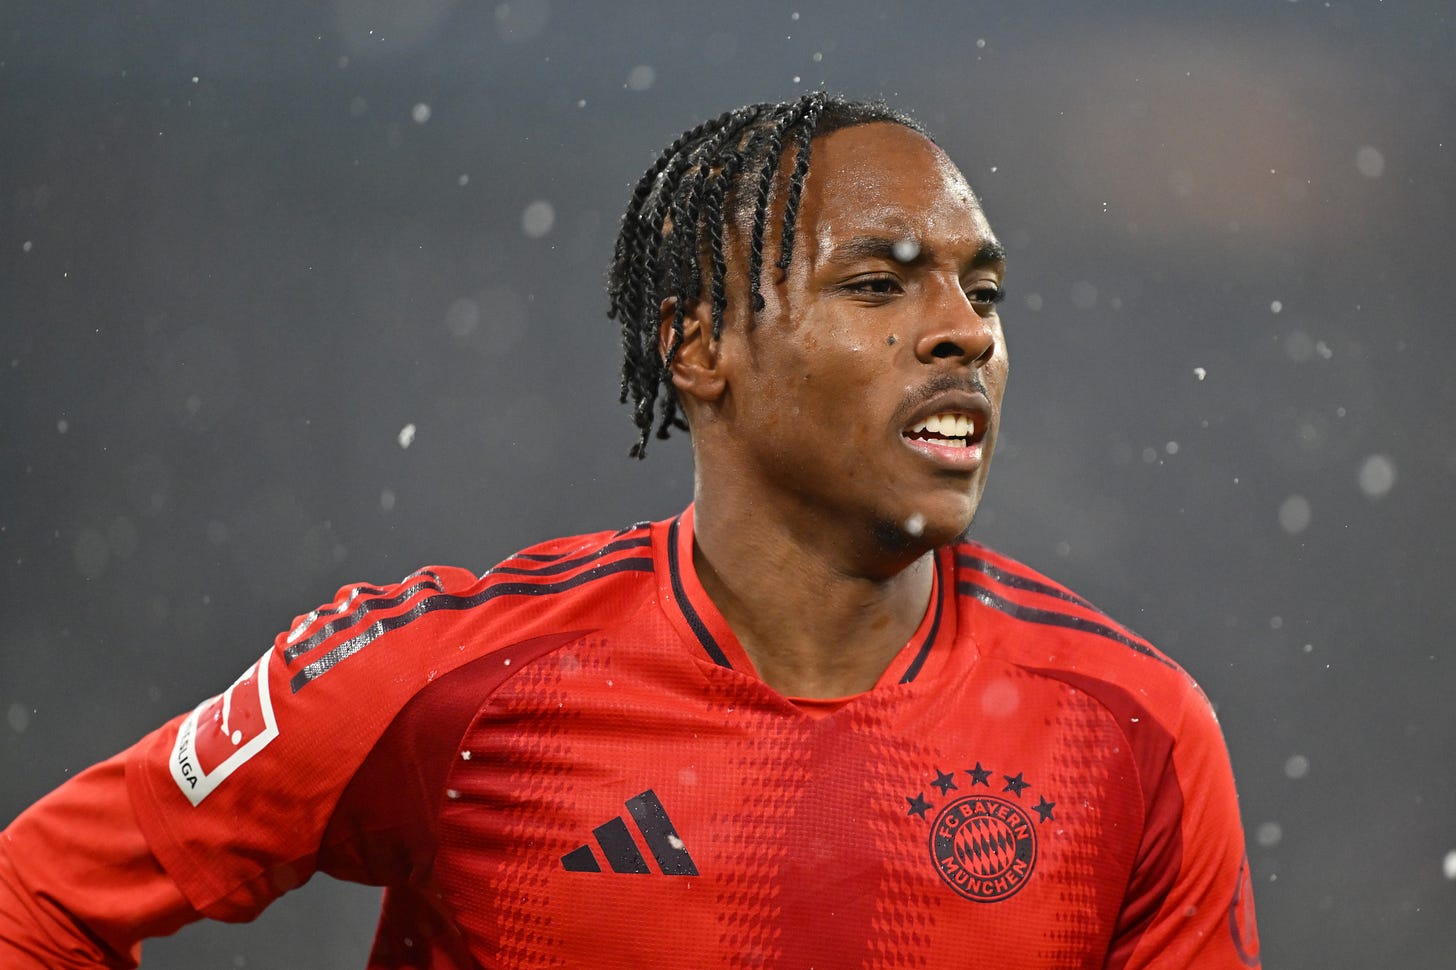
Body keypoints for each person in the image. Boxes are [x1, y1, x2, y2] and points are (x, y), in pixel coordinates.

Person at [0, 93, 1260, 968]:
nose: (965, 330)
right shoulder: (443, 680)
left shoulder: (1134, 730)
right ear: (697, 347)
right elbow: (35, 900)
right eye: (878, 284)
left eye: (981, 290)